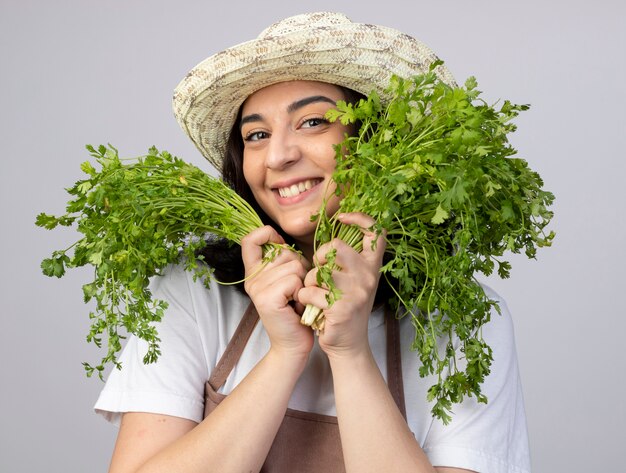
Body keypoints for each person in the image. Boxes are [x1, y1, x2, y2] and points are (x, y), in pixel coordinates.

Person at [95, 12, 531, 473]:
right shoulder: (193, 290)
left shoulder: (464, 321)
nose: (279, 156)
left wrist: (350, 352)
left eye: (312, 122)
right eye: (257, 135)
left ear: (377, 144)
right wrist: (286, 353)